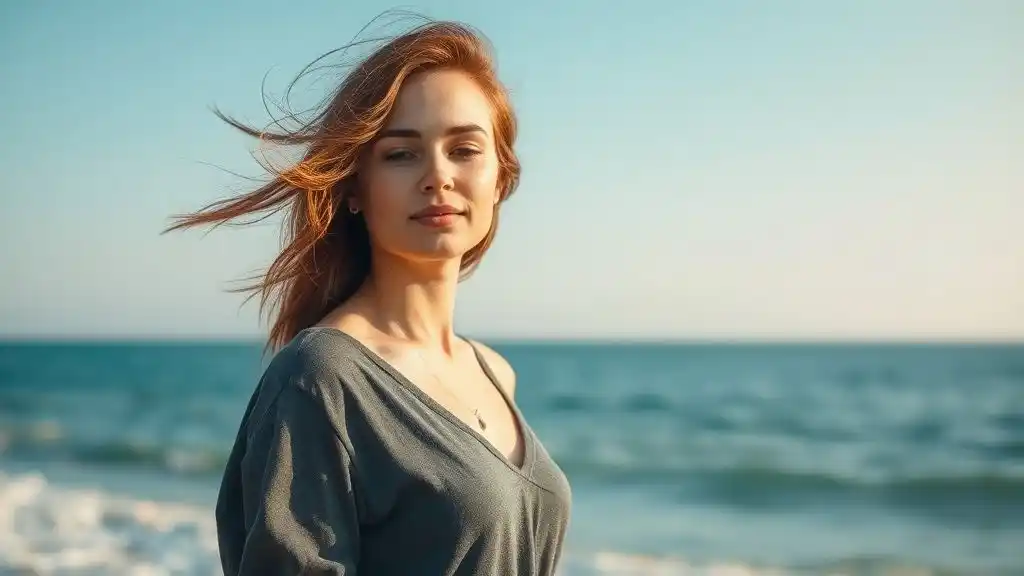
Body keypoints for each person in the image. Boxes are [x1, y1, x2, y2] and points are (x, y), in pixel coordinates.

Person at [165, 16, 572, 576]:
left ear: (501, 177)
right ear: (356, 188)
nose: (437, 176)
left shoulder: (495, 372)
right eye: (401, 154)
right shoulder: (320, 379)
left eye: (465, 149)